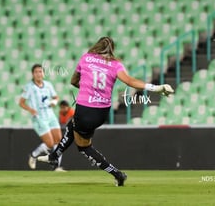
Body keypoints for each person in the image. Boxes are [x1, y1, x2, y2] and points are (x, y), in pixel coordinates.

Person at [38, 37, 174, 186]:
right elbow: (130, 81)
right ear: (112, 50)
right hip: (101, 113)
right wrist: (157, 88)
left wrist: (85, 87)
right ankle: (55, 155)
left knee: (83, 146)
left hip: (85, 109)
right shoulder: (115, 64)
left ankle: (117, 174)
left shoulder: (86, 58)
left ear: (96, 46)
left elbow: (73, 81)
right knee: (74, 125)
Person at [19, 64, 65, 172]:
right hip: (39, 118)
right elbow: (21, 102)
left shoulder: (48, 85)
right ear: (33, 74)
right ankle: (33, 155)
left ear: (43, 73)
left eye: (40, 71)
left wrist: (54, 102)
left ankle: (56, 166)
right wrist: (31, 110)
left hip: (50, 115)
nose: (38, 74)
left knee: (59, 140)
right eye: (36, 72)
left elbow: (56, 97)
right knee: (49, 143)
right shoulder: (29, 87)